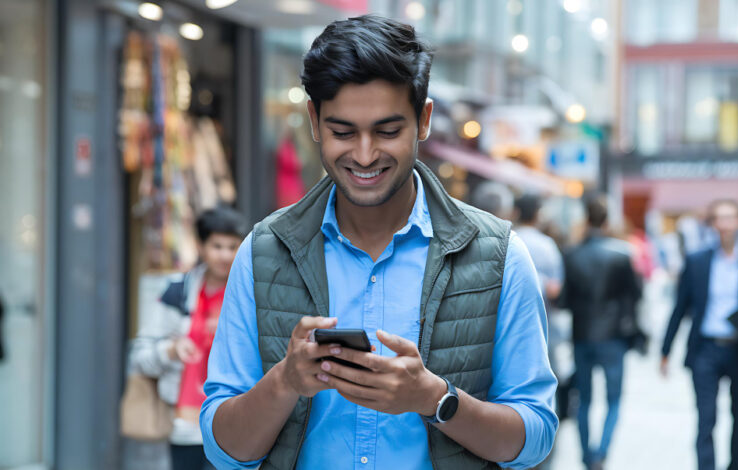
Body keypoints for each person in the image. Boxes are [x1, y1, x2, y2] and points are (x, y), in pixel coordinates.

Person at [200, 15, 557, 470]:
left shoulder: (498, 255)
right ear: (314, 121)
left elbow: (535, 438)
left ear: (423, 120)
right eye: (343, 132)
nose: (365, 155)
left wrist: (435, 399)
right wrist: (284, 381)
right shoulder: (263, 252)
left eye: (388, 132)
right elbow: (223, 450)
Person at [661, 199, 738, 470]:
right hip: (706, 349)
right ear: (712, 223)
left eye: (729, 218)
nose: (724, 225)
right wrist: (665, 350)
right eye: (719, 219)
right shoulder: (697, 260)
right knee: (706, 418)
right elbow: (680, 307)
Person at [129, 207, 247, 470]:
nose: (225, 255)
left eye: (232, 246)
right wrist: (171, 350)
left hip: (234, 421)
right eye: (217, 246)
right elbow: (140, 356)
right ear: (200, 246)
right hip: (184, 425)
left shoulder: (251, 295)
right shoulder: (176, 293)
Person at [560, 196, 642, 470]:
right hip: (613, 337)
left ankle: (587, 455)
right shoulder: (622, 254)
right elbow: (636, 295)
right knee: (614, 399)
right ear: (607, 221)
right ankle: (601, 453)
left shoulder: (571, 254)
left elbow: (564, 300)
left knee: (583, 399)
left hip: (583, 334)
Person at [513, 194, 565, 470]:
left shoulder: (505, 240)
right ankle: (541, 456)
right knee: (543, 394)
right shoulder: (546, 246)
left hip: (508, 330)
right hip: (545, 330)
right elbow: (557, 289)